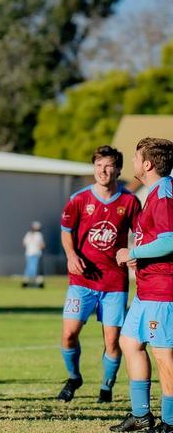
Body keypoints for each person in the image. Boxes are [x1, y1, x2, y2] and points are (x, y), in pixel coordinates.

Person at [58, 145, 138, 404]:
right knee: (69, 334)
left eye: (109, 166)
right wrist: (71, 255)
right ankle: (73, 378)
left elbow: (143, 233)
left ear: (118, 169)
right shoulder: (79, 199)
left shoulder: (130, 202)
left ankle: (106, 386)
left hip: (115, 283)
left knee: (112, 341)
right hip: (82, 281)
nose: (103, 171)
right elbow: (66, 230)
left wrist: (134, 254)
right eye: (99, 165)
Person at [110, 137, 173, 433]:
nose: (133, 163)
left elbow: (170, 240)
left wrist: (131, 252)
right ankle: (141, 415)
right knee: (129, 342)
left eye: (136, 158)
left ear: (147, 164)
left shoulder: (164, 194)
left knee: (164, 355)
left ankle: (171, 422)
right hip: (146, 289)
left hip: (163, 290)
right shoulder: (154, 192)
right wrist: (140, 258)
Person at [23, 222, 47, 288]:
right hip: (36, 253)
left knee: (29, 268)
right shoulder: (39, 235)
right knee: (35, 268)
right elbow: (42, 245)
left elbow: (24, 243)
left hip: (28, 253)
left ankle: (26, 282)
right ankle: (33, 282)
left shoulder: (28, 234)